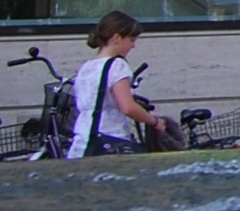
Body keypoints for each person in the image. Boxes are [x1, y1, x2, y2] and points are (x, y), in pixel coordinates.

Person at [68, 12, 174, 157]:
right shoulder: (117, 65)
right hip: (110, 140)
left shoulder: (87, 67)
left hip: (82, 141)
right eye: (131, 39)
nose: (133, 45)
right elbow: (128, 107)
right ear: (117, 38)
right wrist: (155, 122)